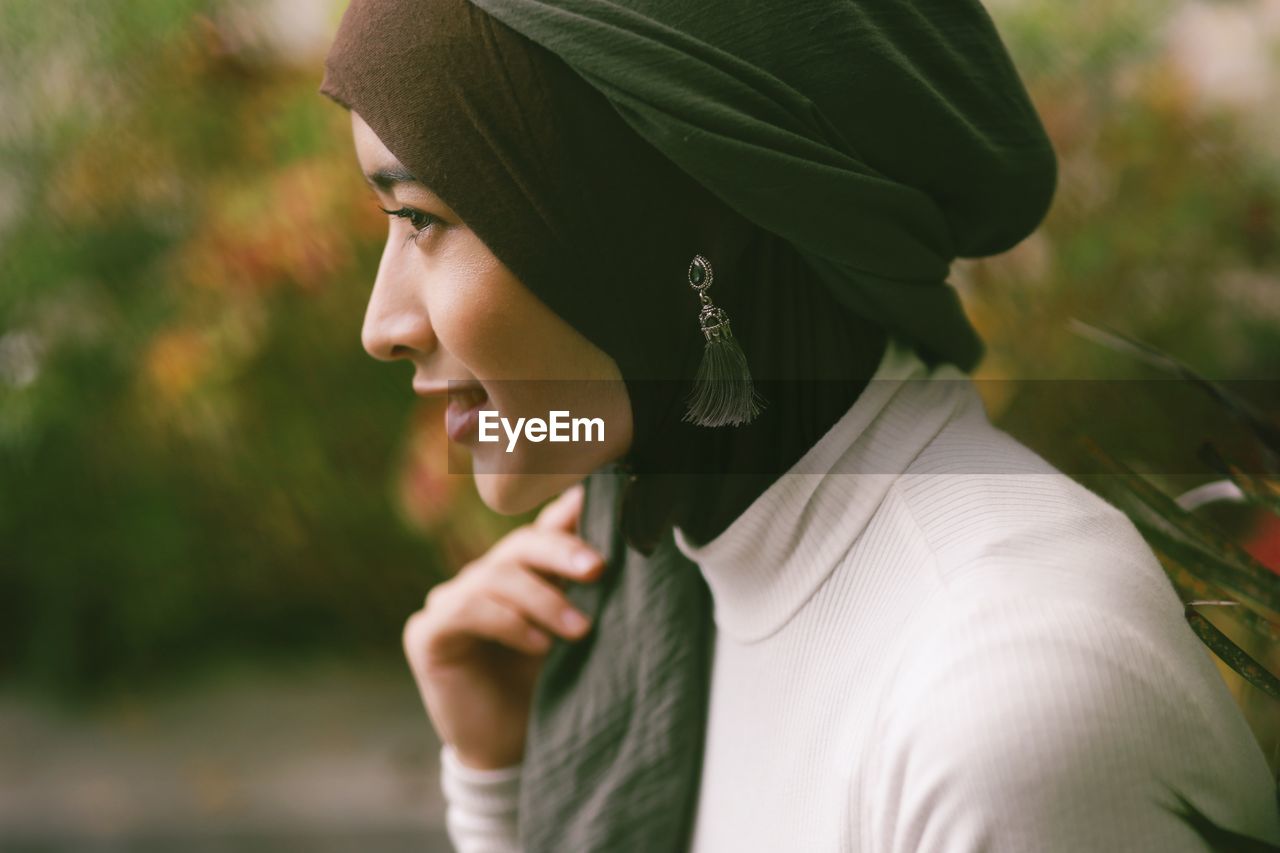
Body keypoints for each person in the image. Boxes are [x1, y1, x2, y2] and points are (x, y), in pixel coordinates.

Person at [319, 0, 1280, 850]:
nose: (383, 327)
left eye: (423, 218)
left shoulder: (1006, 707)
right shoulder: (672, 585)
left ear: (668, 227)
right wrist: (502, 783)